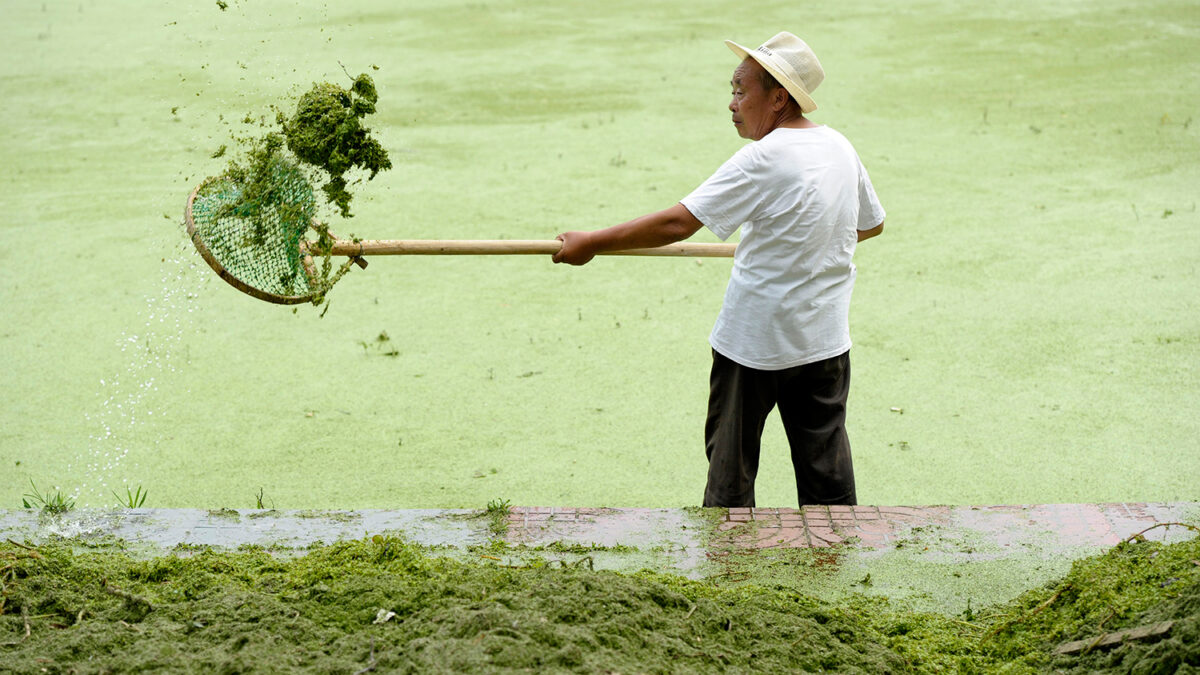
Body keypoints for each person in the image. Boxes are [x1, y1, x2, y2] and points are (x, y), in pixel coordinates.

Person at [553, 32, 885, 508]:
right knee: (827, 480)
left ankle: (727, 574)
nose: (731, 104)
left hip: (753, 348)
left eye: (739, 91)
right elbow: (870, 226)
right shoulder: (838, 146)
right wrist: (802, 242)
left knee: (730, 479)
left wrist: (591, 243)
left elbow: (677, 222)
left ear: (777, 99)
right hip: (824, 346)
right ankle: (837, 568)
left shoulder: (764, 158)